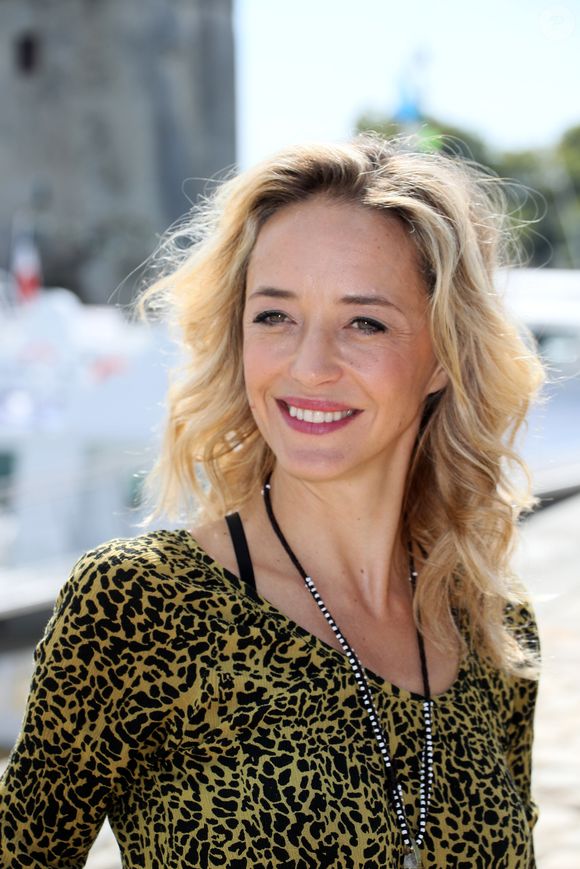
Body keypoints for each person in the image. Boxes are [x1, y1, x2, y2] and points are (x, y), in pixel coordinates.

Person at [0, 135, 543, 868]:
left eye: (365, 322)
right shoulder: (138, 605)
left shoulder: (493, 628)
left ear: (443, 355)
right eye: (275, 316)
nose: (310, 366)